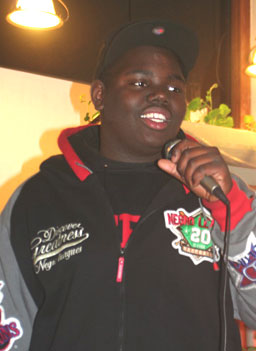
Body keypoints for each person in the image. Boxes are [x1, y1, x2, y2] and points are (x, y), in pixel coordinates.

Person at [0, 19, 255, 351]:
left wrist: (229, 206)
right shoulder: (36, 199)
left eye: (175, 88)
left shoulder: (218, 192)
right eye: (139, 82)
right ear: (100, 95)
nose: (162, 95)